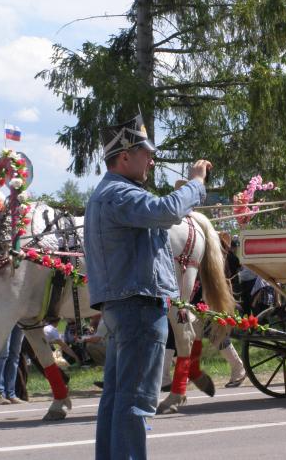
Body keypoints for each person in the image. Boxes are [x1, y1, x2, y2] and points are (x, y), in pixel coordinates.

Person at [84, 113, 211, 460]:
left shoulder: (107, 194)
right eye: (146, 153)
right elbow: (167, 210)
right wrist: (196, 184)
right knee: (137, 402)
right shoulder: (121, 194)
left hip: (124, 309)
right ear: (125, 157)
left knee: (116, 398)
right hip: (140, 308)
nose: (152, 160)